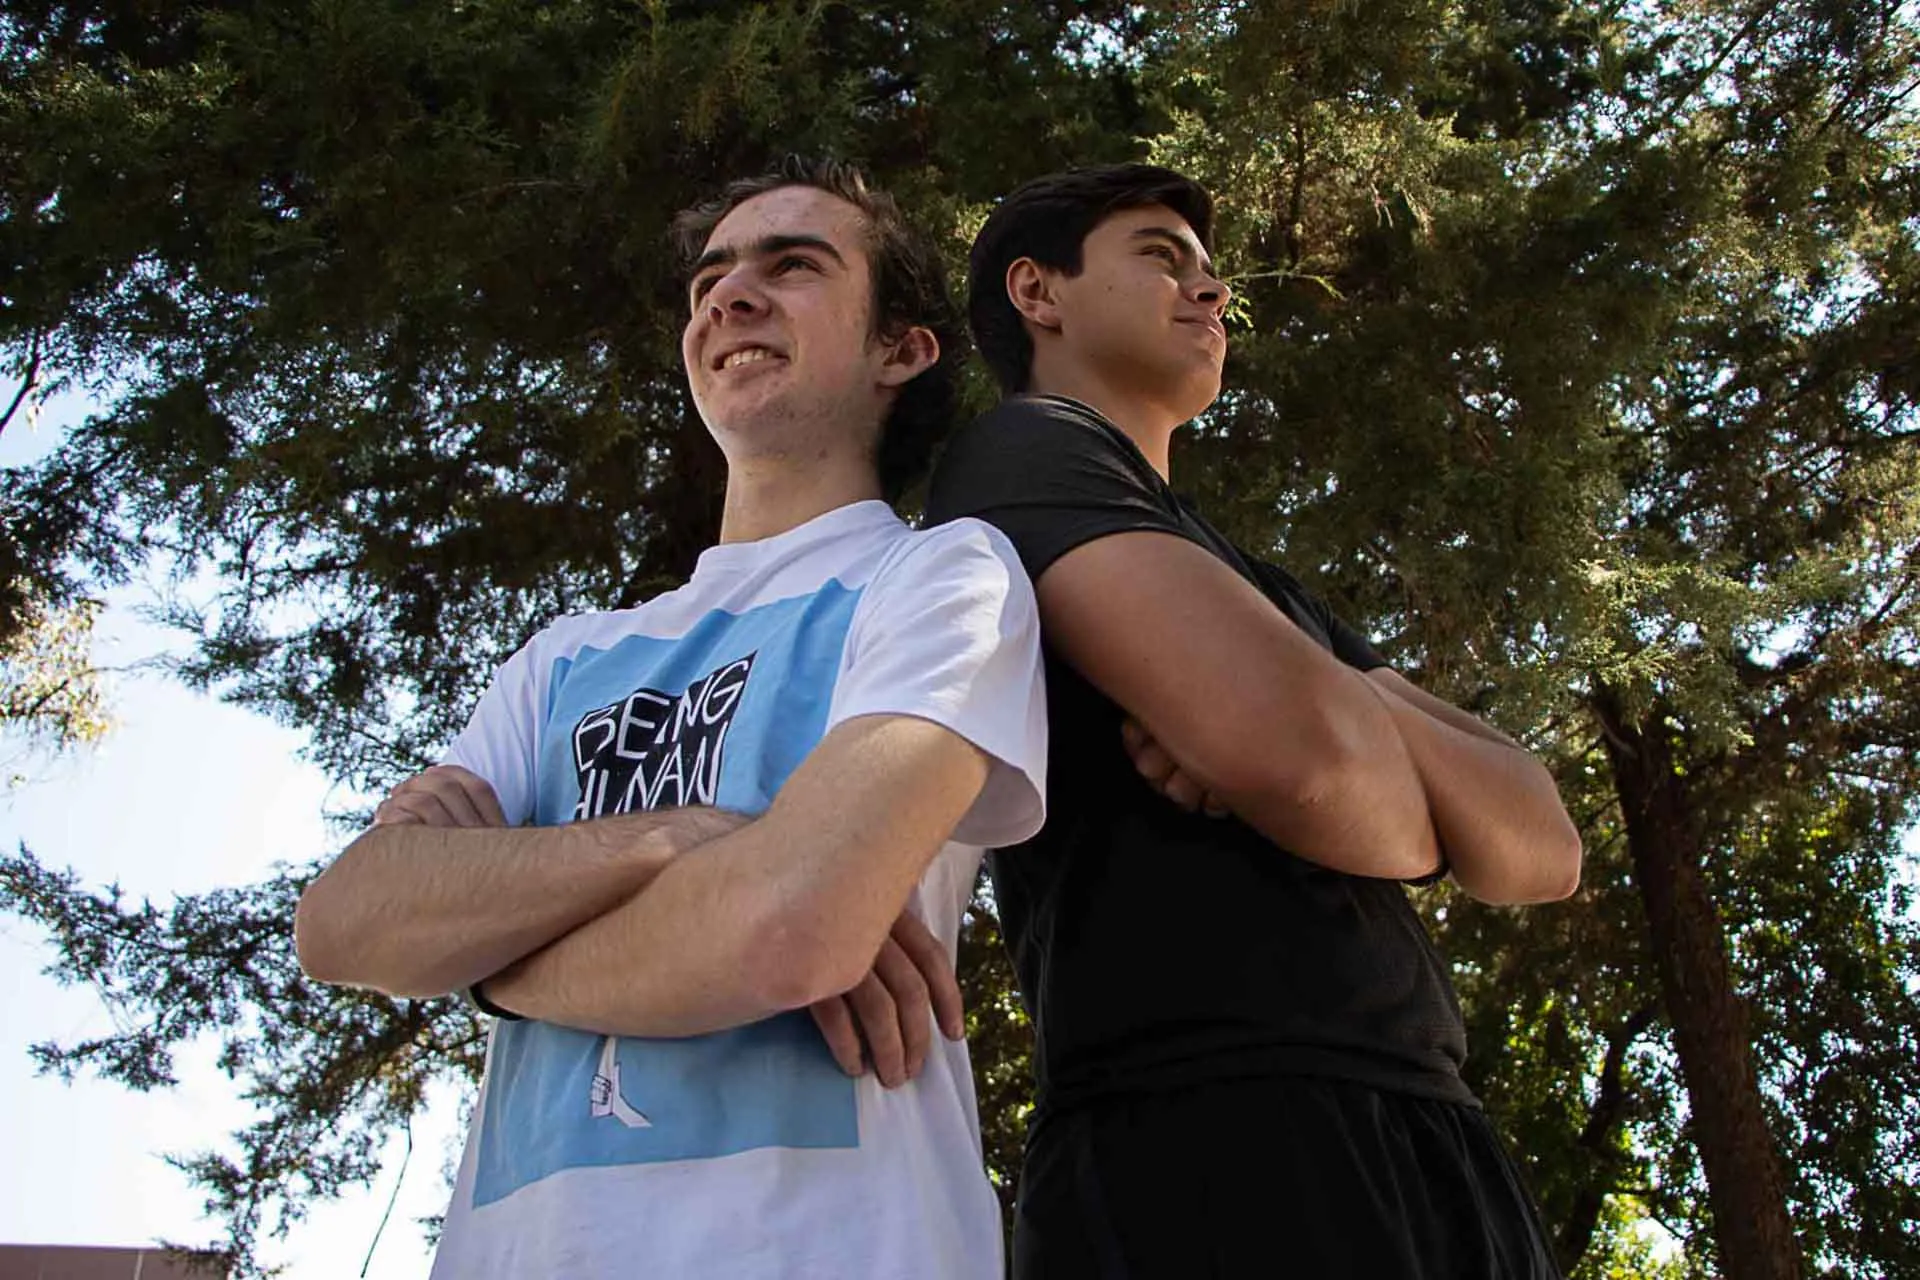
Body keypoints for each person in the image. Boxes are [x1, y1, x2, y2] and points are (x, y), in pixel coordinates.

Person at [294, 157, 1048, 1279]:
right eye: (710, 280)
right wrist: (674, 838)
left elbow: (789, 928)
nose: (729, 297)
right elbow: (347, 921)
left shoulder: (943, 578)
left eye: (793, 266)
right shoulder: (563, 657)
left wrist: (489, 960)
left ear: (900, 348)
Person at [926, 163, 1583, 1278]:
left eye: (1209, 268)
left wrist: (1343, 711)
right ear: (1039, 292)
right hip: (1214, 1141)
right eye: (1161, 257)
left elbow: (1544, 844)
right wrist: (1381, 774)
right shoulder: (1024, 454)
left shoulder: (1265, 587)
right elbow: (1312, 760)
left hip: (1438, 1140)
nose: (1212, 289)